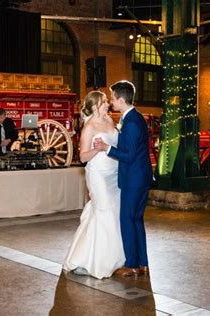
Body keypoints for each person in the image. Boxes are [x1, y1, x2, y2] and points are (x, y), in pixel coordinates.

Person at [63, 91, 125, 279]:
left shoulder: (109, 121)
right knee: (104, 210)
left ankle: (115, 258)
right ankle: (96, 261)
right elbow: (82, 157)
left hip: (114, 173)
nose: (107, 104)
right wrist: (97, 149)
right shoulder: (89, 127)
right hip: (98, 174)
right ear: (94, 107)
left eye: (107, 101)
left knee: (115, 211)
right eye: (104, 102)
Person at [94, 80, 153, 277]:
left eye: (112, 98)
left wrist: (106, 148)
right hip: (140, 177)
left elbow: (128, 155)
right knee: (137, 220)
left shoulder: (132, 123)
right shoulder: (135, 118)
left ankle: (131, 264)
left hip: (134, 180)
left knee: (127, 220)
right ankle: (143, 263)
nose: (111, 102)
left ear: (121, 99)